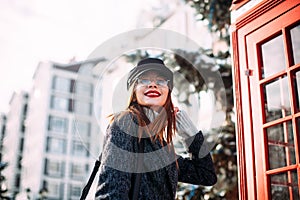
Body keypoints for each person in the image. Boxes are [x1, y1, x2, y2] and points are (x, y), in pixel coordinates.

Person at [95, 58, 217, 200]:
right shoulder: (125, 125)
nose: (153, 85)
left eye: (160, 81)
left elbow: (206, 175)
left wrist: (192, 136)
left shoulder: (162, 147)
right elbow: (111, 195)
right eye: (144, 80)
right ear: (134, 91)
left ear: (168, 92)